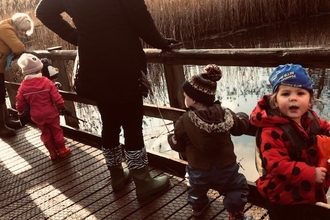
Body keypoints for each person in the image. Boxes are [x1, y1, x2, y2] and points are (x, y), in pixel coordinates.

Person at [36, 0, 179, 199]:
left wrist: (78, 37)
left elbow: (43, 11)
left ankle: (117, 176)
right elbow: (140, 18)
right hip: (124, 62)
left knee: (109, 122)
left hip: (94, 66)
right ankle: (143, 181)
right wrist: (161, 43)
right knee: (132, 125)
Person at [167, 64, 254, 220]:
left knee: (196, 188)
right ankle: (236, 213)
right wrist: (243, 116)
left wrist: (170, 139)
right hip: (226, 167)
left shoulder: (184, 121)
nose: (184, 98)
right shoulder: (225, 114)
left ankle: (198, 208)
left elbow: (177, 144)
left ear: (193, 99)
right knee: (235, 187)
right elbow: (240, 127)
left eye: (186, 95)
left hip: (198, 169)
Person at [249, 64, 330, 220]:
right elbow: (276, 165)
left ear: (310, 99)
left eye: (300, 93)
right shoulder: (271, 131)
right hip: (283, 196)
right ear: (275, 101)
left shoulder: (309, 117)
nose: (293, 98)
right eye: (285, 94)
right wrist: (310, 173)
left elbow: (322, 126)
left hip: (304, 191)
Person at [16, 53, 71, 160]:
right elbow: (57, 98)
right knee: (56, 131)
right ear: (40, 69)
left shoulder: (23, 86)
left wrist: (20, 112)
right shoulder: (47, 82)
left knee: (45, 133)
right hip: (50, 113)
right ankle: (62, 150)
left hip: (36, 115)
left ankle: (52, 153)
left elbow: (20, 101)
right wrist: (62, 108)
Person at [0, 12, 34, 137]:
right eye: (23, 30)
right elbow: (18, 48)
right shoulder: (6, 29)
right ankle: (1, 127)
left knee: (1, 94)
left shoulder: (7, 27)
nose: (24, 33)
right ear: (17, 25)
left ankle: (6, 121)